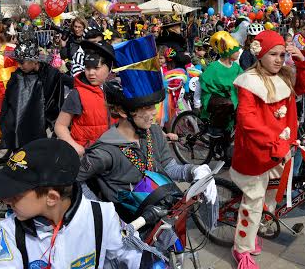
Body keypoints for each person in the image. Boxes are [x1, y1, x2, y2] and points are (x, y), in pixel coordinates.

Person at [77, 35, 216, 264]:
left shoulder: (152, 132)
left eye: (154, 106)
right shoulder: (104, 151)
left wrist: (195, 171)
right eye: (146, 108)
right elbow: (75, 179)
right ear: (123, 112)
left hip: (159, 221)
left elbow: (168, 166)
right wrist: (101, 212)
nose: (154, 113)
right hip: (127, 234)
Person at [0, 138, 147, 268]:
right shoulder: (10, 231)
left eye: (15, 194)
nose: (5, 199)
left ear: (51, 198)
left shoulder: (102, 216)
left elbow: (135, 257)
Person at [230, 30, 305, 268]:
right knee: (253, 201)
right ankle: (242, 248)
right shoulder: (250, 81)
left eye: (281, 54)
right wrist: (274, 141)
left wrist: (302, 59)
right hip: (256, 153)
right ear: (260, 55)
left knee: (272, 196)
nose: (279, 59)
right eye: (273, 55)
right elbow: (247, 121)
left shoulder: (285, 76)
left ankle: (260, 228)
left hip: (280, 151)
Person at [0, 34, 64, 151]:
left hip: (39, 123)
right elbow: (9, 101)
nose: (19, 66)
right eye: (17, 62)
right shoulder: (17, 76)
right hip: (18, 124)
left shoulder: (51, 75)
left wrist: (53, 124)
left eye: (22, 62)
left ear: (34, 61)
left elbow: (56, 101)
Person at [55, 40, 117, 156]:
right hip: (87, 155)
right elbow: (60, 125)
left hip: (112, 153)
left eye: (96, 68)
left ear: (109, 68)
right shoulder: (77, 94)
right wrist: (75, 146)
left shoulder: (116, 90)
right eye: (88, 68)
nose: (91, 73)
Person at [200, 31, 243, 131]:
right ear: (228, 52)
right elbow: (201, 82)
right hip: (214, 98)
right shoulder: (213, 67)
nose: (238, 52)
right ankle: (215, 131)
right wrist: (197, 102)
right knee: (227, 104)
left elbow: (244, 79)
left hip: (231, 96)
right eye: (236, 50)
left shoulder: (236, 67)